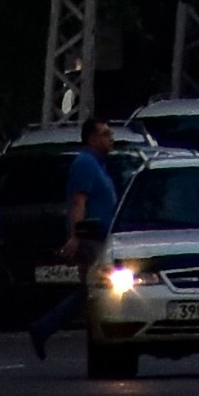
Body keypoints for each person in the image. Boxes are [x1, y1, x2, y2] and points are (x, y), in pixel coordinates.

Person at [24, 123, 119, 361]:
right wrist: (77, 235)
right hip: (92, 238)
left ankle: (44, 328)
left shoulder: (98, 164)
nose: (111, 138)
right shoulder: (85, 164)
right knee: (95, 289)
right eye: (105, 134)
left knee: (89, 291)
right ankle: (45, 327)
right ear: (91, 138)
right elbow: (79, 202)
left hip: (101, 237)